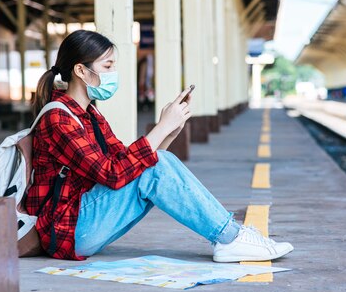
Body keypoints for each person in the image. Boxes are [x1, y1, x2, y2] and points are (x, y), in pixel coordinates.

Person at [25, 29, 294, 262]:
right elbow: (113, 173)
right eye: (107, 66)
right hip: (66, 229)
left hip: (83, 221)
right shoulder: (58, 117)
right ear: (81, 70)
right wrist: (161, 127)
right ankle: (230, 238)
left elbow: (124, 160)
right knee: (157, 165)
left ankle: (230, 236)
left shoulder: (90, 114)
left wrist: (170, 130)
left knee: (157, 161)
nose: (113, 74)